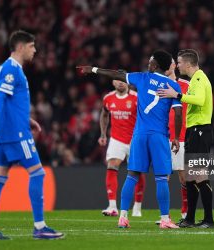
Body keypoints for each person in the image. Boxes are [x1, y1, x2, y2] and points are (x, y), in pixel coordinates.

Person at [77, 50, 183, 229]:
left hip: (139, 135)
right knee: (161, 178)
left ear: (155, 65)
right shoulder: (173, 86)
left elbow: (116, 74)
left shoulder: (141, 78)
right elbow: (178, 113)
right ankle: (165, 219)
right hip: (158, 136)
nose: (148, 62)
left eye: (150, 60)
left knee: (132, 175)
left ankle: (123, 217)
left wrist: (93, 69)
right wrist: (176, 137)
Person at [0, 30, 63, 240]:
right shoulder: (11, 69)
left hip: (11, 131)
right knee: (38, 174)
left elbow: (9, 102)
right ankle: (40, 227)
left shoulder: (13, 69)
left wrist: (26, 119)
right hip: (15, 135)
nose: (35, 50)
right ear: (21, 47)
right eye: (32, 46)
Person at [157, 49, 214, 228]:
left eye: (180, 62)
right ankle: (190, 218)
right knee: (190, 177)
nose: (178, 65)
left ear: (188, 64)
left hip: (200, 130)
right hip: (193, 130)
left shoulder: (199, 78)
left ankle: (208, 220)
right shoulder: (195, 79)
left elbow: (199, 99)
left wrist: (177, 95)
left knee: (200, 176)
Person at [99, 79, 146, 217]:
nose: (120, 83)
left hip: (135, 139)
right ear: (113, 83)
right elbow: (104, 114)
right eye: (117, 80)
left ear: (128, 82)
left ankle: (137, 207)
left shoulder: (136, 97)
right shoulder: (108, 98)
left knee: (137, 170)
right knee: (112, 165)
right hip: (117, 139)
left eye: (123, 80)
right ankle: (112, 206)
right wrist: (103, 134)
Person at [166, 60, 189, 219]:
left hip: (182, 136)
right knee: (163, 176)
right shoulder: (158, 85)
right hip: (163, 136)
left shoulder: (187, 85)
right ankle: (164, 215)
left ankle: (185, 211)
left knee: (183, 176)